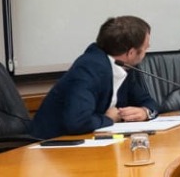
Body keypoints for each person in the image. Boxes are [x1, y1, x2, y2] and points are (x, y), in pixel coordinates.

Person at [30, 15, 159, 138]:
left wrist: (144, 112)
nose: (147, 51)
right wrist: (109, 118)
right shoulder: (89, 68)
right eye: (145, 48)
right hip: (52, 146)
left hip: (90, 141)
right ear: (131, 53)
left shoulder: (124, 67)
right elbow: (78, 121)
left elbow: (148, 102)